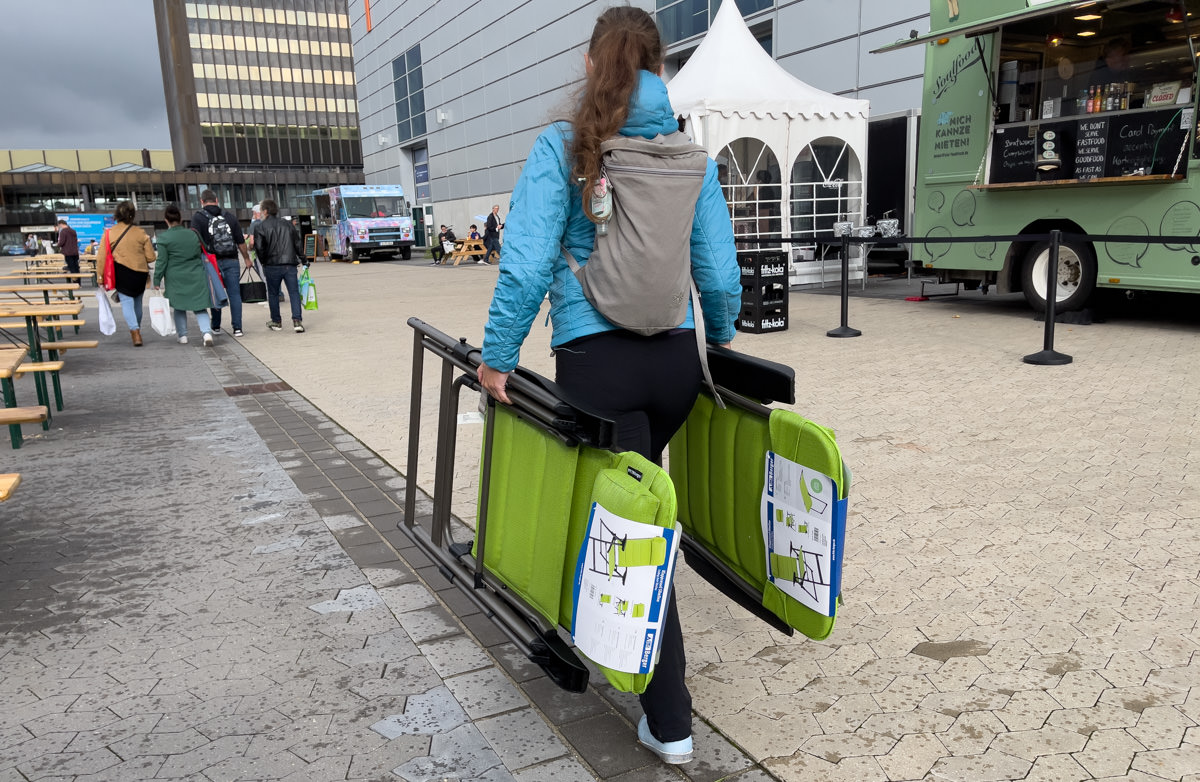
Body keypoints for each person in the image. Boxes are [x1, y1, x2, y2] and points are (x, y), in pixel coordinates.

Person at [475, 6, 740, 765]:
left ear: (592, 65)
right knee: (628, 500)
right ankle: (592, 630)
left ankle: (672, 718)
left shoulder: (564, 146)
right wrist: (716, 336)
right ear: (660, 68)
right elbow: (718, 273)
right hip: (674, 367)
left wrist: (496, 359)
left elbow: (526, 266)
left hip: (599, 366)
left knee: (634, 526)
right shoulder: (692, 156)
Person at [191, 189, 252, 338]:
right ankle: (237, 328)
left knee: (215, 292)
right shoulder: (230, 217)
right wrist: (246, 258)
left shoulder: (198, 218)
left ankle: (216, 326)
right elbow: (240, 241)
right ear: (217, 200)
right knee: (234, 294)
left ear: (201, 201)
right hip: (231, 259)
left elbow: (195, 241)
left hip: (210, 262)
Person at [152, 204, 215, 347]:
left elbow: (161, 262)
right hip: (196, 274)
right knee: (200, 307)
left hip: (175, 277)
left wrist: (156, 280)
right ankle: (206, 333)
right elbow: (203, 250)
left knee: (179, 307)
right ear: (180, 219)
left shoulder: (164, 238)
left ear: (166, 220)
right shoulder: (193, 234)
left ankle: (183, 336)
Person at [104, 200, 157, 347]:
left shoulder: (109, 233)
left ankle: (135, 332)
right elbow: (151, 257)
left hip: (121, 273)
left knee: (127, 303)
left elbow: (102, 256)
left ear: (117, 215)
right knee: (137, 303)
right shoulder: (140, 233)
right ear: (132, 215)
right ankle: (137, 328)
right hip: (140, 274)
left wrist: (100, 277)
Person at [252, 199, 307, 334]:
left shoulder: (260, 227)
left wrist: (264, 261)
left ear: (265, 211)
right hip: (290, 264)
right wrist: (304, 259)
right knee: (294, 292)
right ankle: (297, 321)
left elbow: (259, 248)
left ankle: (276, 321)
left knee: (273, 294)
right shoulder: (288, 225)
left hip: (272, 264)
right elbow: (297, 243)